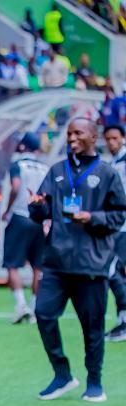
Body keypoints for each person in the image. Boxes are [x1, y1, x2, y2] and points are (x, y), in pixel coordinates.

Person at [29, 118, 126, 402]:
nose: (71, 137)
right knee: (44, 314)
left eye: (77, 133)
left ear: (93, 137)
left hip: (91, 264)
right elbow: (43, 212)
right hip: (56, 261)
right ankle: (62, 374)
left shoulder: (107, 173)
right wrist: (37, 207)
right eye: (69, 133)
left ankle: (94, 382)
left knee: (92, 327)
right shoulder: (57, 171)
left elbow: (119, 214)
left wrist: (92, 217)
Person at [2, 132, 49, 324]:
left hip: (20, 216)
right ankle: (36, 308)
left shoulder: (18, 165)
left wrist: (7, 209)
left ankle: (21, 305)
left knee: (12, 263)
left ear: (22, 146)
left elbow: (15, 187)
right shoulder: (44, 167)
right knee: (38, 265)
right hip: (38, 219)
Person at [103, 124, 126, 341]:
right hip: (116, 226)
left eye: (115, 138)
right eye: (108, 138)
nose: (111, 142)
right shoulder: (113, 163)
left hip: (122, 227)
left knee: (112, 270)